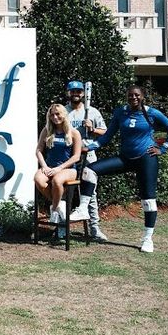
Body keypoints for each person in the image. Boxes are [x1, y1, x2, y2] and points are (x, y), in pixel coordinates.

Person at [87, 84, 168, 253]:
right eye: (130, 95)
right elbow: (107, 136)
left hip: (146, 159)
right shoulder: (120, 112)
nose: (133, 98)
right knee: (90, 170)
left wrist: (163, 148)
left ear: (142, 96)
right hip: (125, 158)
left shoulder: (152, 113)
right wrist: (90, 147)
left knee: (148, 200)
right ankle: (82, 209)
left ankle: (147, 239)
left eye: (137, 95)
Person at [65, 80, 109, 241]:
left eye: (78, 91)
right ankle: (63, 227)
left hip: (88, 156)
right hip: (68, 156)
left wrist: (92, 128)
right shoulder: (63, 111)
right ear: (68, 93)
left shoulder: (93, 112)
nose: (76, 94)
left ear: (83, 94)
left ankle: (94, 229)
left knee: (90, 193)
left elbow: (105, 132)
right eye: (72, 91)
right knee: (65, 191)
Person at [34, 103, 84, 240]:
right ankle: (59, 206)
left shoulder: (74, 132)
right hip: (49, 167)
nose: (55, 117)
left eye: (57, 114)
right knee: (38, 179)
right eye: (52, 115)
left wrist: (59, 168)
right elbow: (38, 150)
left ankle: (55, 208)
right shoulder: (47, 130)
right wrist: (44, 166)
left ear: (64, 115)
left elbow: (76, 156)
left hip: (67, 169)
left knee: (57, 181)